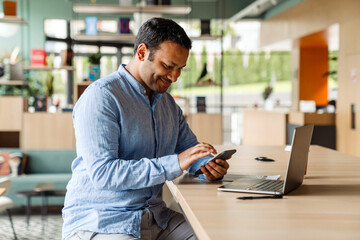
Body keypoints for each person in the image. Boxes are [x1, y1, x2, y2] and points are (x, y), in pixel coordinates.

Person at [62, 17, 229, 240]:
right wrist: (176, 162)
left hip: (156, 218)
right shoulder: (101, 97)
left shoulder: (168, 105)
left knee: (215, 235)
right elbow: (104, 174)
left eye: (180, 69)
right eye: (168, 66)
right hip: (103, 221)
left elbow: (189, 148)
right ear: (141, 52)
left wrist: (206, 165)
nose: (174, 77)